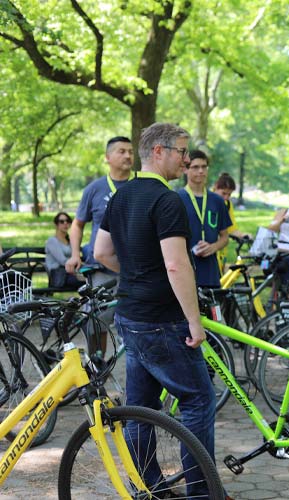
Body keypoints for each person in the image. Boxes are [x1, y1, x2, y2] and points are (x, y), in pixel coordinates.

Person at [93, 123, 217, 497]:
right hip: (164, 321)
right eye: (182, 151)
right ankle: (202, 492)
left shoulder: (120, 196)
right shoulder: (168, 200)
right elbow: (177, 265)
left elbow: (101, 252)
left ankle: (149, 487)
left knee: (140, 409)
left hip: (130, 315)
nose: (187, 159)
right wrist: (195, 321)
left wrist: (137, 273)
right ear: (159, 151)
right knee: (198, 401)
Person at [65, 136, 133, 284]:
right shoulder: (94, 189)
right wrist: (75, 254)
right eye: (122, 151)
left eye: (131, 152)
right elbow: (77, 224)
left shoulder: (142, 184)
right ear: (108, 157)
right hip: (102, 270)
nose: (128, 156)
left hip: (137, 269)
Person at [178, 150, 232, 288]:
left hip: (211, 273)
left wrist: (213, 247)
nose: (201, 171)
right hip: (184, 271)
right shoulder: (176, 198)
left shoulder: (217, 201)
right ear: (185, 169)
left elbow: (225, 237)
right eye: (195, 167)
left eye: (204, 167)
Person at [44, 212, 83, 290]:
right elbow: (62, 261)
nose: (65, 223)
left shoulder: (70, 240)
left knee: (91, 279)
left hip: (70, 273)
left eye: (67, 221)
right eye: (61, 221)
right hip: (59, 275)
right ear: (56, 224)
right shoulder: (52, 241)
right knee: (87, 281)